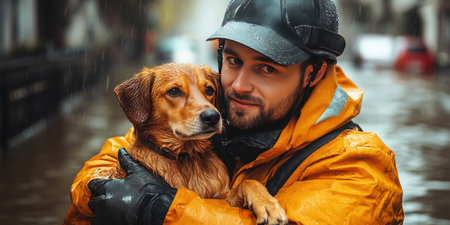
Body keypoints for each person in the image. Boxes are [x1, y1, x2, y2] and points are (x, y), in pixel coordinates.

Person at [63, 0, 404, 224]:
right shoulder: (204, 131)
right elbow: (96, 176)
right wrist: (102, 186)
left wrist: (160, 208)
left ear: (313, 73)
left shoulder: (362, 164)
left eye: (267, 68)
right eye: (233, 61)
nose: (238, 85)